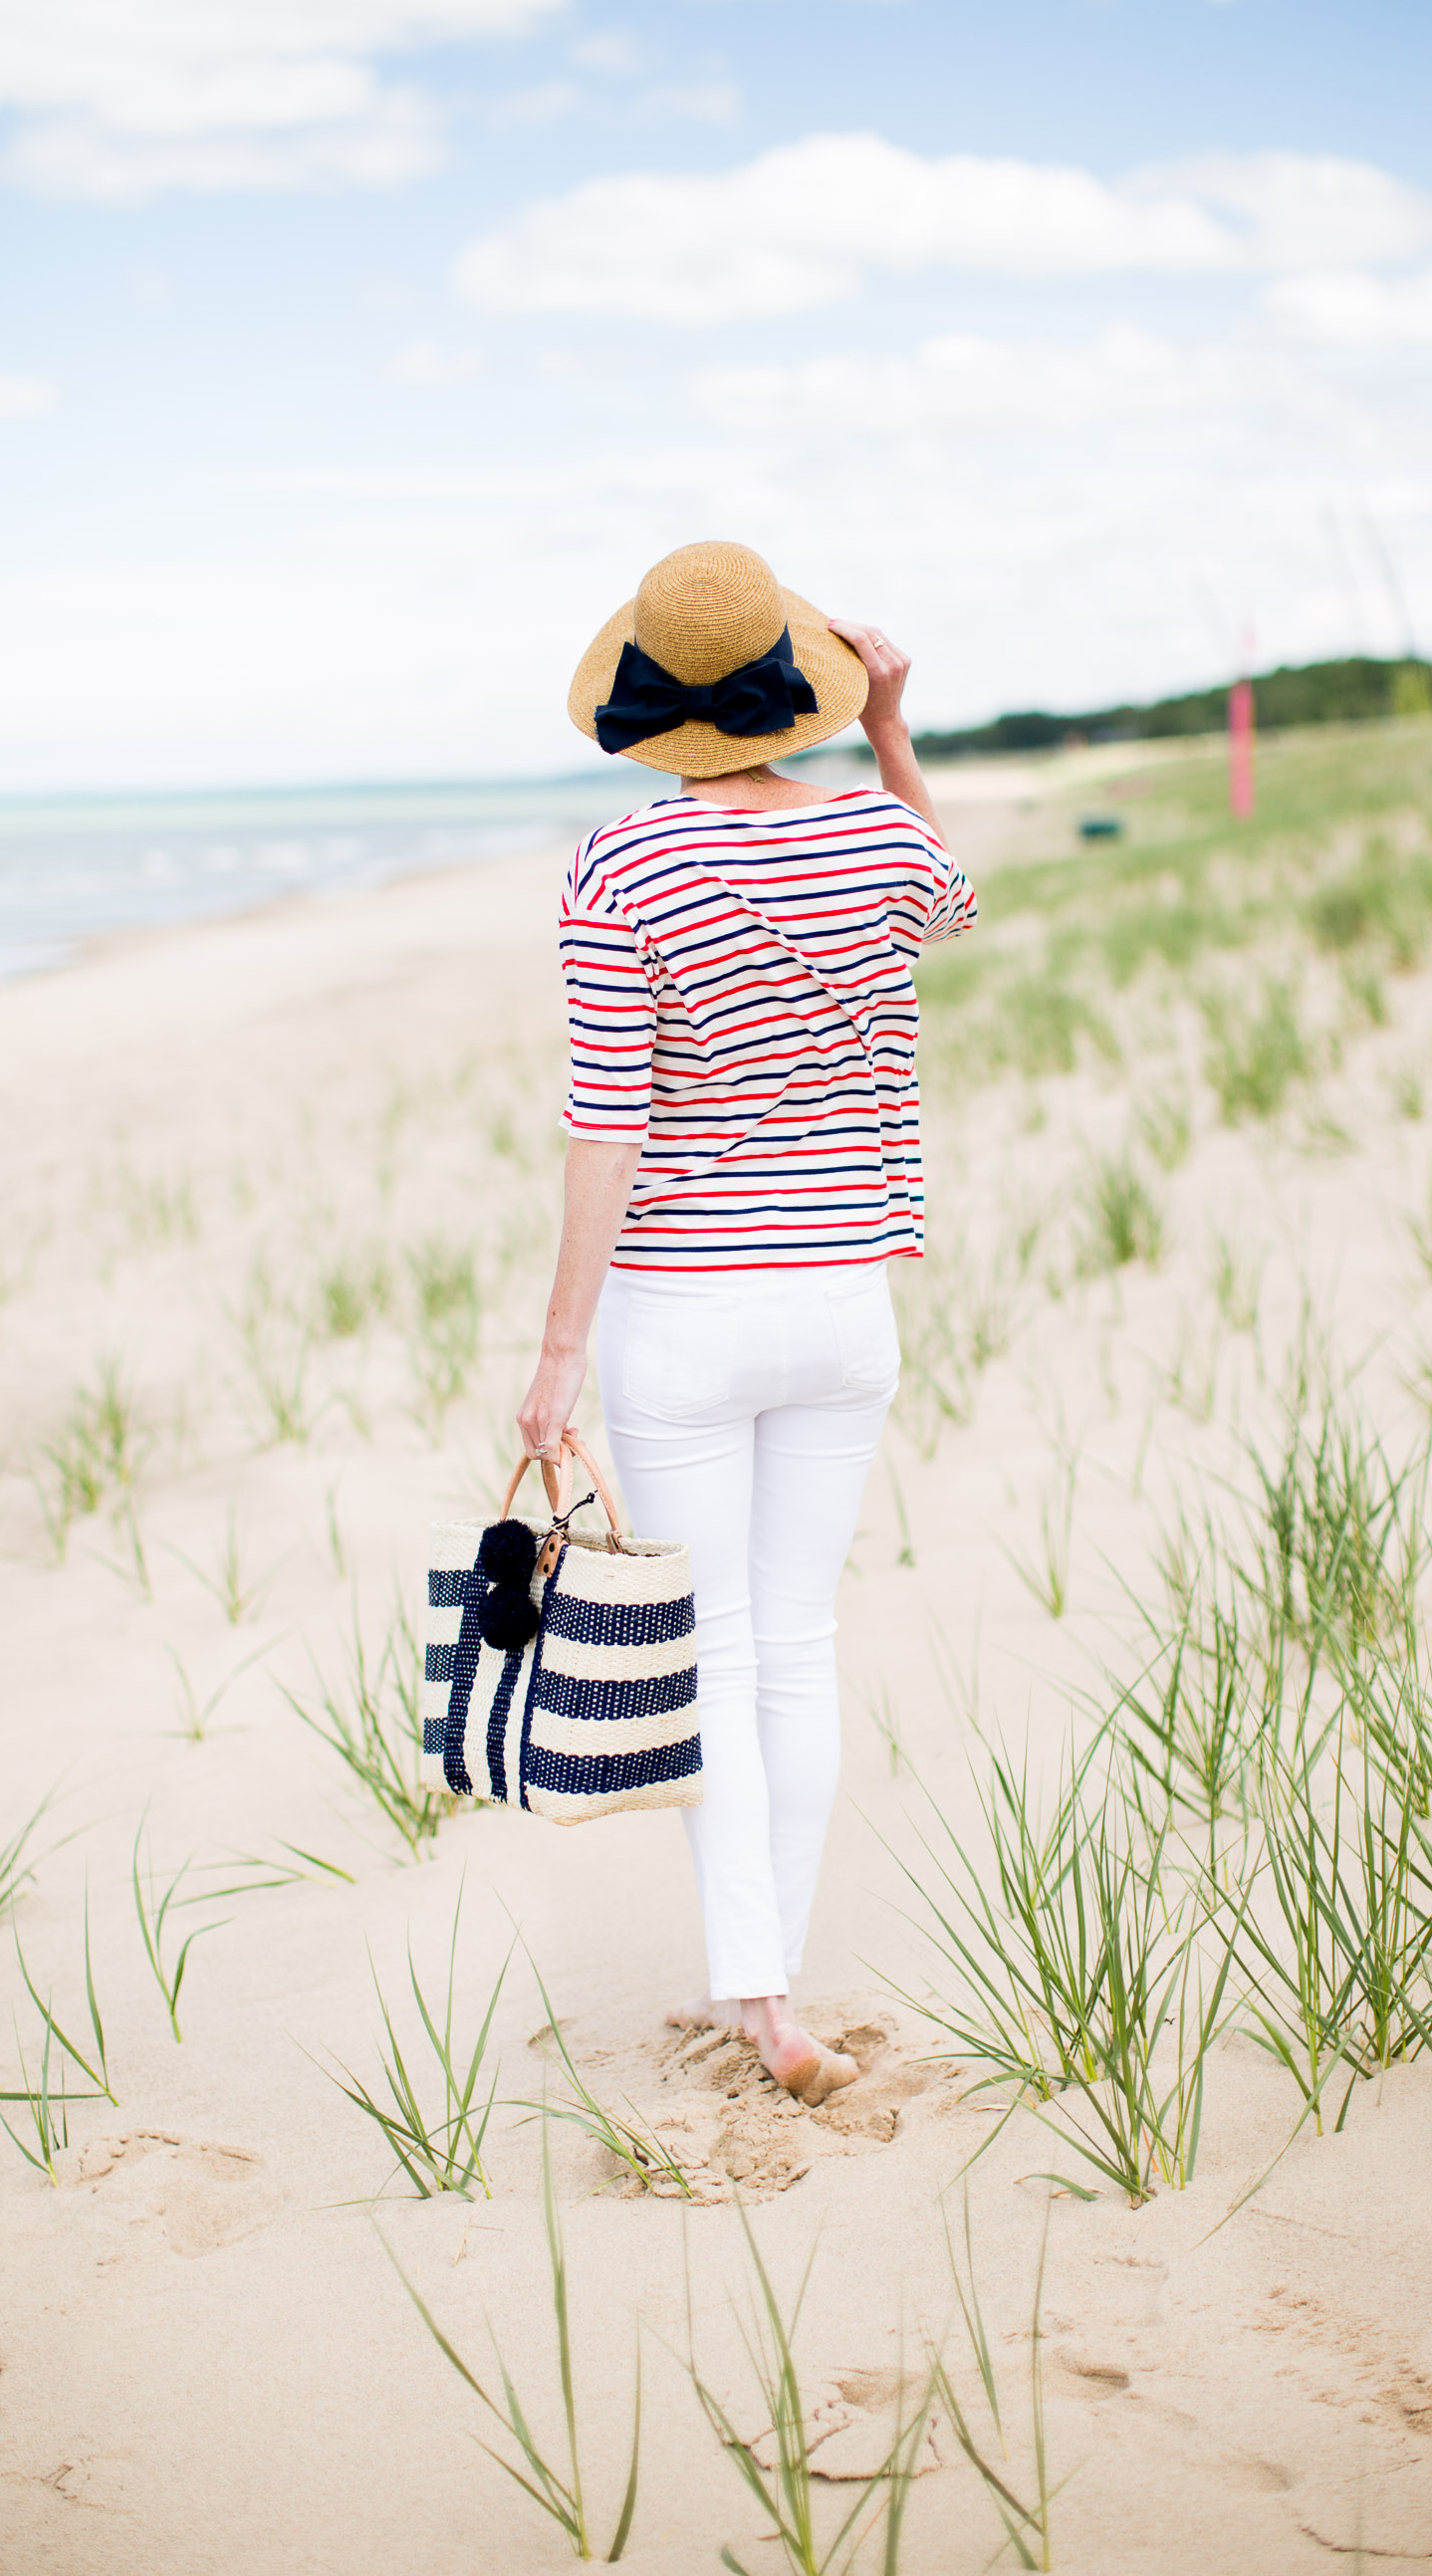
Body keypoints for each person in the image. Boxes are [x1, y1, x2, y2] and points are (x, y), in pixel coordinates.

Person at [516, 539, 977, 2104]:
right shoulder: (875, 844)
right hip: (842, 1304)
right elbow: (954, 898)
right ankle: (772, 1985)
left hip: (684, 1319)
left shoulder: (618, 868)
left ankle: (760, 1994)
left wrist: (555, 1351)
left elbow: (608, 1118)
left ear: (657, 704)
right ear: (804, 686)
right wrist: (896, 728)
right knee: (799, 1647)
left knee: (713, 1655)